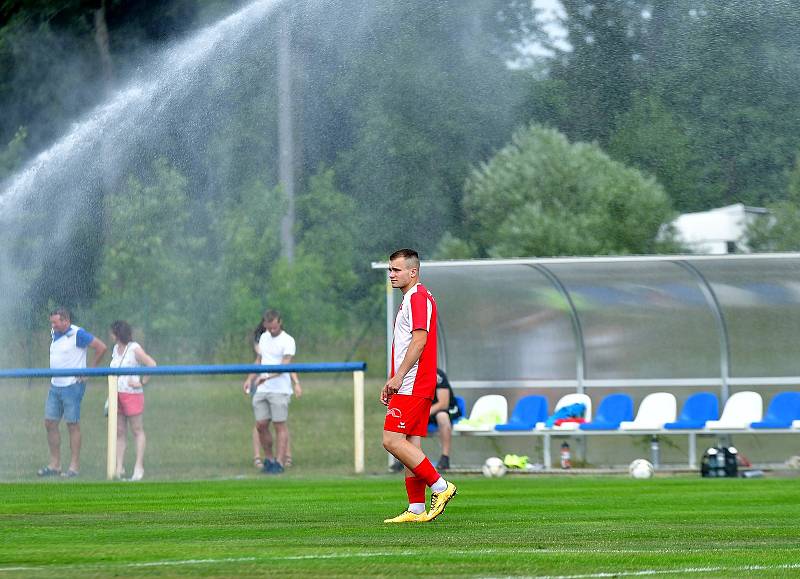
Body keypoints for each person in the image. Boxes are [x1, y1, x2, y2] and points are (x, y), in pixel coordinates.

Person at [381, 249, 457, 523]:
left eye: (396, 270)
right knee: (410, 444)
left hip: (414, 383)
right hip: (407, 383)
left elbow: (419, 342)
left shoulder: (418, 298)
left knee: (391, 440)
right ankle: (416, 508)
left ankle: (441, 486)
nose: (391, 274)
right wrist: (392, 380)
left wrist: (399, 377)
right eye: (390, 270)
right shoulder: (410, 299)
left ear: (413, 272)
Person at [39, 307, 107, 479]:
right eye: (51, 322)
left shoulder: (78, 334)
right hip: (55, 385)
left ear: (66, 321)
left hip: (72, 386)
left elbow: (101, 347)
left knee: (72, 424)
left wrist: (88, 372)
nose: (52, 325)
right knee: (49, 423)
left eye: (55, 322)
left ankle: (74, 467)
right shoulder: (54, 333)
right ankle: (54, 464)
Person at [243, 310, 302, 474]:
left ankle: (280, 462)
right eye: (269, 327)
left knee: (279, 425)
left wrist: (267, 377)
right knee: (261, 425)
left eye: (274, 327)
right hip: (262, 389)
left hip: (280, 389)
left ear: (280, 322)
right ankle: (268, 459)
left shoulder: (288, 340)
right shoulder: (263, 338)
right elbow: (259, 361)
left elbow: (285, 366)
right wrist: (250, 378)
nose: (271, 330)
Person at [109, 320, 157, 481]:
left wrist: (142, 382)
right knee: (119, 432)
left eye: (112, 332)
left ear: (117, 334)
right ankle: (118, 467)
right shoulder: (115, 349)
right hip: (117, 394)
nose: (110, 335)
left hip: (132, 394)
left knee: (137, 429)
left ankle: (139, 466)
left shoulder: (134, 348)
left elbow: (152, 364)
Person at [429, 368, 461, 471]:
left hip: (445, 409)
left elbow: (443, 403)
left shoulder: (438, 375)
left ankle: (445, 458)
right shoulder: (410, 374)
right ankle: (404, 460)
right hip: (425, 410)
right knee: (406, 418)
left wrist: (422, 414)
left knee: (442, 416)